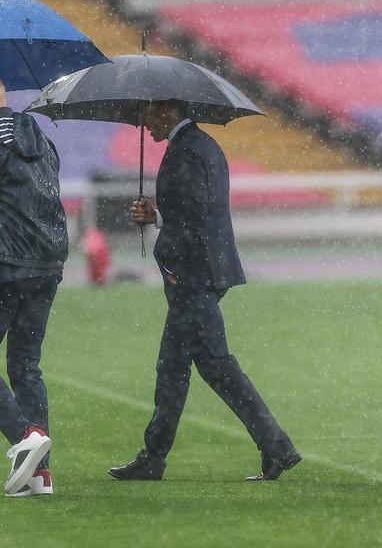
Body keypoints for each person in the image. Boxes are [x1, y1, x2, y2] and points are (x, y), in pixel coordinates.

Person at [108, 101, 300, 482]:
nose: (144, 122)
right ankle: (154, 457)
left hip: (192, 277)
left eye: (148, 114)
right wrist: (157, 216)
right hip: (202, 273)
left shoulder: (188, 151)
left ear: (166, 111)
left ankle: (277, 446)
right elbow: (197, 214)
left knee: (215, 366)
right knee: (173, 366)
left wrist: (178, 266)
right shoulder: (203, 146)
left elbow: (195, 219)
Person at [0, 74, 68, 498]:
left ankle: (26, 438)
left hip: (3, 265)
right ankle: (40, 475)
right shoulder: (37, 135)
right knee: (25, 365)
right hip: (48, 263)